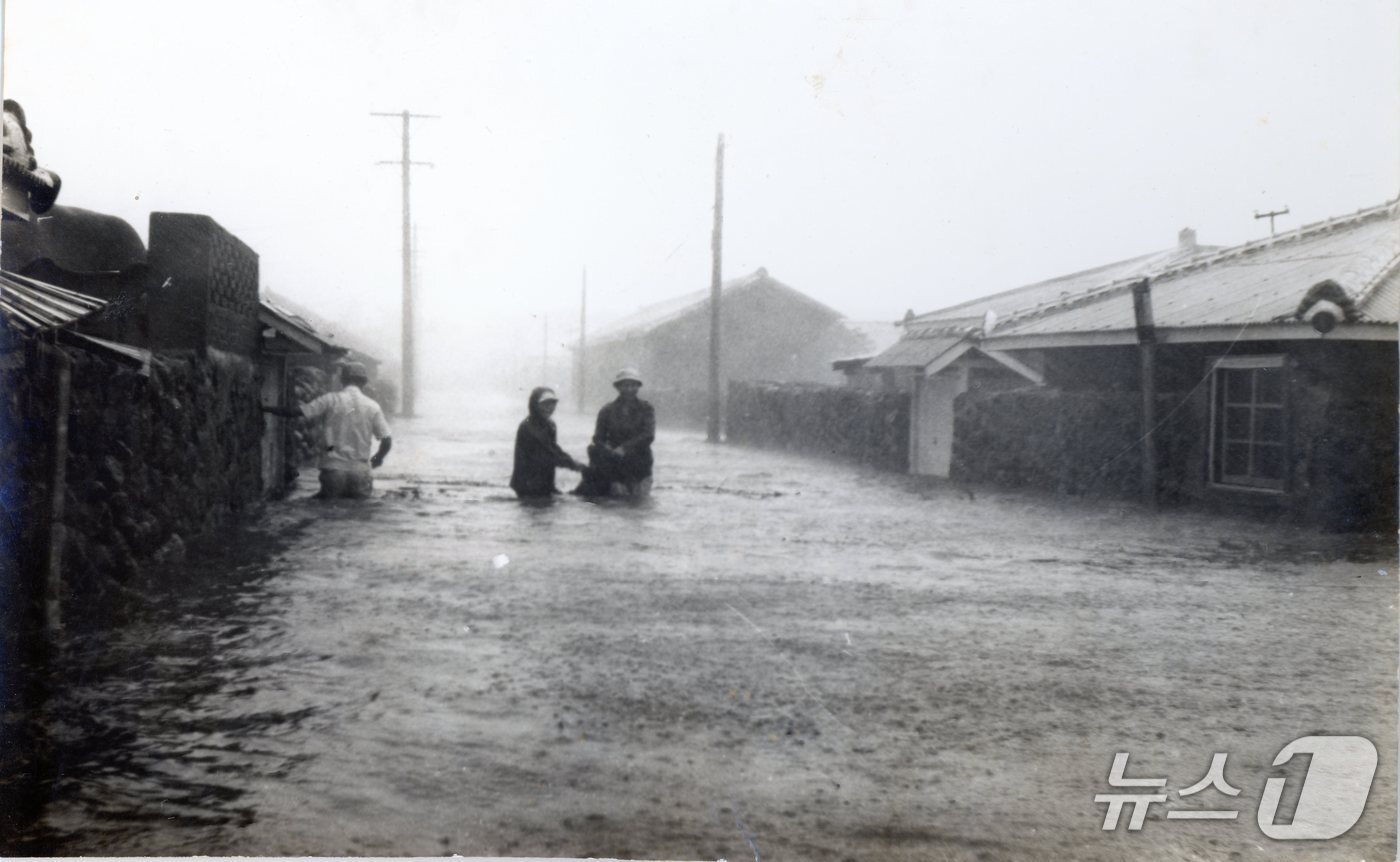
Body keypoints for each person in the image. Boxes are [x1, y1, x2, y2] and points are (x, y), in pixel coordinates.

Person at [262, 361, 392, 499]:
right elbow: (387, 440)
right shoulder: (373, 406)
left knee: (328, 508)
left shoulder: (330, 400)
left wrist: (266, 408)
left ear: (342, 380)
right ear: (364, 382)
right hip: (360, 471)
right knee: (360, 510)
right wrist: (377, 459)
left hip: (333, 471)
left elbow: (296, 412)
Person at [574, 368, 655, 498]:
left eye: (633, 385)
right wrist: (608, 449)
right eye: (625, 385)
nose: (629, 389)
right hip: (615, 466)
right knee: (617, 501)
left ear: (638, 387)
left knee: (640, 502)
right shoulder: (607, 410)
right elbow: (598, 438)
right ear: (618, 387)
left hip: (641, 464)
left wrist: (625, 448)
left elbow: (648, 435)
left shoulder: (646, 408)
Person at [510, 387, 583, 500]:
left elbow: (554, 449)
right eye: (544, 404)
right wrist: (574, 465)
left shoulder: (550, 425)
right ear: (535, 405)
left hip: (544, 484)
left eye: (552, 404)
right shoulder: (527, 427)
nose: (549, 408)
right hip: (527, 485)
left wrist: (573, 463)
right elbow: (547, 454)